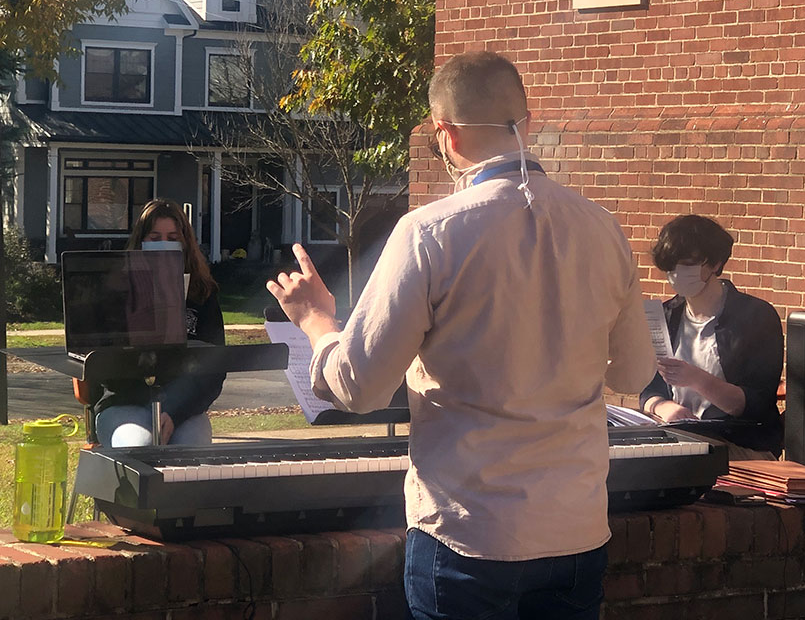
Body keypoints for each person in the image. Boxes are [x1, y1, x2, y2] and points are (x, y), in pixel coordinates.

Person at [267, 51, 655, 620]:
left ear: (444, 133)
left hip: (468, 534)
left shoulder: (428, 234)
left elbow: (359, 388)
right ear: (526, 121)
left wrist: (316, 320)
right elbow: (633, 374)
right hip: (576, 531)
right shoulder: (603, 228)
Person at [639, 215, 783, 459]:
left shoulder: (756, 316)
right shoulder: (665, 315)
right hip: (680, 439)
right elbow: (649, 388)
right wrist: (664, 406)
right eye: (670, 268)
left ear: (715, 263)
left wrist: (697, 379)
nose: (677, 275)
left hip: (741, 446)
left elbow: (755, 404)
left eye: (687, 264)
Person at [94, 199, 225, 447]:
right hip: (123, 403)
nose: (164, 245)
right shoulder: (117, 290)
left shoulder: (203, 293)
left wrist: (174, 411)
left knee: (192, 450)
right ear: (141, 241)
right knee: (141, 446)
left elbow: (214, 368)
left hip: (185, 408)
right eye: (155, 238)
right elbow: (103, 369)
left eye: (172, 237)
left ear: (185, 243)